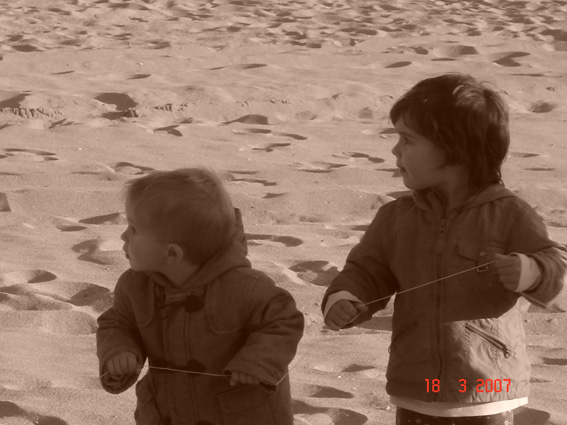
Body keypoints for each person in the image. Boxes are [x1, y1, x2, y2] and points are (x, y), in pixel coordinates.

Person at [322, 73, 566, 425]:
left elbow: (560, 274)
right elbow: (366, 271)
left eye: (408, 140)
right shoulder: (395, 217)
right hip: (417, 386)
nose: (395, 150)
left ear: (454, 149)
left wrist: (533, 272)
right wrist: (344, 298)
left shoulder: (510, 213)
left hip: (487, 388)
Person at [97, 167, 304, 425]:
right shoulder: (134, 286)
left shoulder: (244, 286)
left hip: (240, 415)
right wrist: (119, 351)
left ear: (172, 253)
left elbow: (283, 321)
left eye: (134, 228)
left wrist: (258, 362)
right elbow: (118, 323)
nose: (123, 236)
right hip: (167, 412)